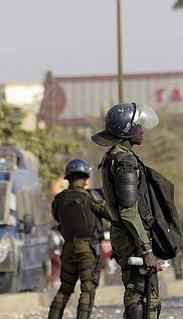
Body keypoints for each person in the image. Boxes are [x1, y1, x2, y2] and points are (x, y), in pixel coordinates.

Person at [92, 102, 166, 319]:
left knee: (136, 290)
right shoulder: (125, 162)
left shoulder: (113, 157)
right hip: (132, 236)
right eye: (138, 126)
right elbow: (128, 211)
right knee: (142, 294)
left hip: (124, 234)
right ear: (126, 130)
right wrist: (146, 249)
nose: (142, 130)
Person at [47, 159, 111, 319]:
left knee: (65, 289)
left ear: (68, 178)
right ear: (85, 178)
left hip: (68, 249)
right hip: (87, 250)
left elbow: (57, 217)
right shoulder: (91, 197)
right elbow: (109, 213)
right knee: (87, 290)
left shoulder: (59, 199)